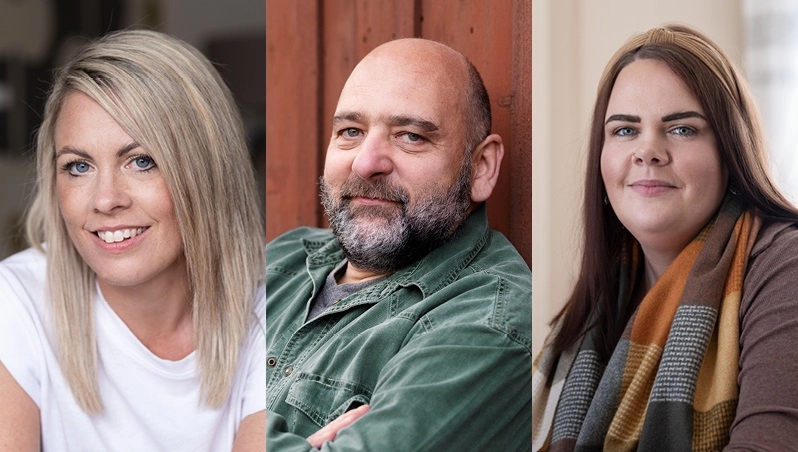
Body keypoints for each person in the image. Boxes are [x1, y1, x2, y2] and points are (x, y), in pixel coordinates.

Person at [532, 24, 798, 451]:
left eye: (682, 129)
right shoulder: (589, 312)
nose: (647, 151)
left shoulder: (785, 265)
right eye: (625, 130)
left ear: (730, 151)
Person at [0, 30, 266, 450]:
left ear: (206, 171)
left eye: (141, 161)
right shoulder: (16, 303)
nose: (105, 200)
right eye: (78, 166)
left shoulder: (275, 311)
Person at [266, 38, 532, 451]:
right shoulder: (281, 260)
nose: (366, 163)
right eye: (350, 132)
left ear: (480, 167)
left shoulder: (487, 322)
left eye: (410, 136)